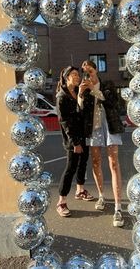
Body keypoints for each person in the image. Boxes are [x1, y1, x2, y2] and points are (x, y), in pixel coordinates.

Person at [78, 60, 125, 227]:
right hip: (94, 128)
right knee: (96, 162)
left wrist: (93, 89)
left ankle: (118, 208)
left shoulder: (108, 84)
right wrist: (80, 95)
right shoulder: (84, 89)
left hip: (109, 125)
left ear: (96, 70)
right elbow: (81, 112)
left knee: (113, 163)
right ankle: (101, 196)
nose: (88, 75)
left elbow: (112, 103)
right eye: (85, 72)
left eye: (90, 71)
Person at [56, 66, 94, 217]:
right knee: (70, 168)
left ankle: (80, 190)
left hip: (83, 134)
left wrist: (84, 93)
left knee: (83, 164)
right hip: (73, 139)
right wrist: (75, 143)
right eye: (73, 74)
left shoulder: (79, 91)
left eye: (78, 74)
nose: (77, 77)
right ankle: (61, 201)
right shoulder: (62, 96)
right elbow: (64, 122)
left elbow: (83, 112)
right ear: (66, 77)